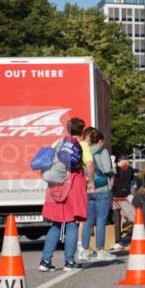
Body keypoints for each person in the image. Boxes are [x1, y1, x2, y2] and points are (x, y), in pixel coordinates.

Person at [39, 117, 94, 272]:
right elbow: (89, 164)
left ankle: (45, 261)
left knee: (56, 223)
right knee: (71, 223)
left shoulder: (58, 143)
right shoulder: (82, 145)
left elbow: (48, 161)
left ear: (68, 129)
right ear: (82, 131)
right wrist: (91, 182)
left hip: (56, 185)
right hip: (73, 186)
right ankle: (69, 262)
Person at [80, 130, 116, 261]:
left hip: (89, 189)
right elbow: (106, 169)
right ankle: (101, 250)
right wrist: (113, 171)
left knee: (88, 221)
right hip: (102, 189)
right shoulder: (103, 151)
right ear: (100, 141)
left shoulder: (86, 150)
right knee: (101, 221)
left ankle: (85, 250)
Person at [111, 160, 137, 251]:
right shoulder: (130, 170)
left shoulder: (116, 169)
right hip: (126, 196)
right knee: (131, 217)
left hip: (115, 196)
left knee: (116, 217)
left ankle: (118, 240)